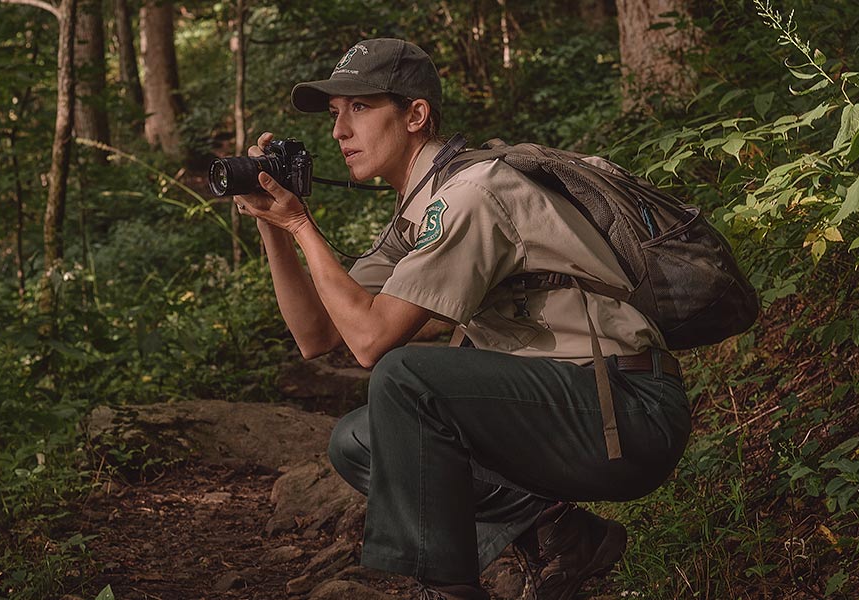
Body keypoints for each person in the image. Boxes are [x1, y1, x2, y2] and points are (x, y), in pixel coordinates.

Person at [233, 38, 691, 600]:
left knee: (405, 377)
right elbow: (318, 335)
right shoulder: (417, 215)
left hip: (627, 409)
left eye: (360, 108)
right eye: (334, 114)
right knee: (359, 440)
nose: (339, 132)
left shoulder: (472, 195)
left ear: (416, 115)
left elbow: (371, 343)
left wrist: (304, 226)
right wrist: (272, 224)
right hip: (568, 408)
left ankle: (447, 589)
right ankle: (557, 533)